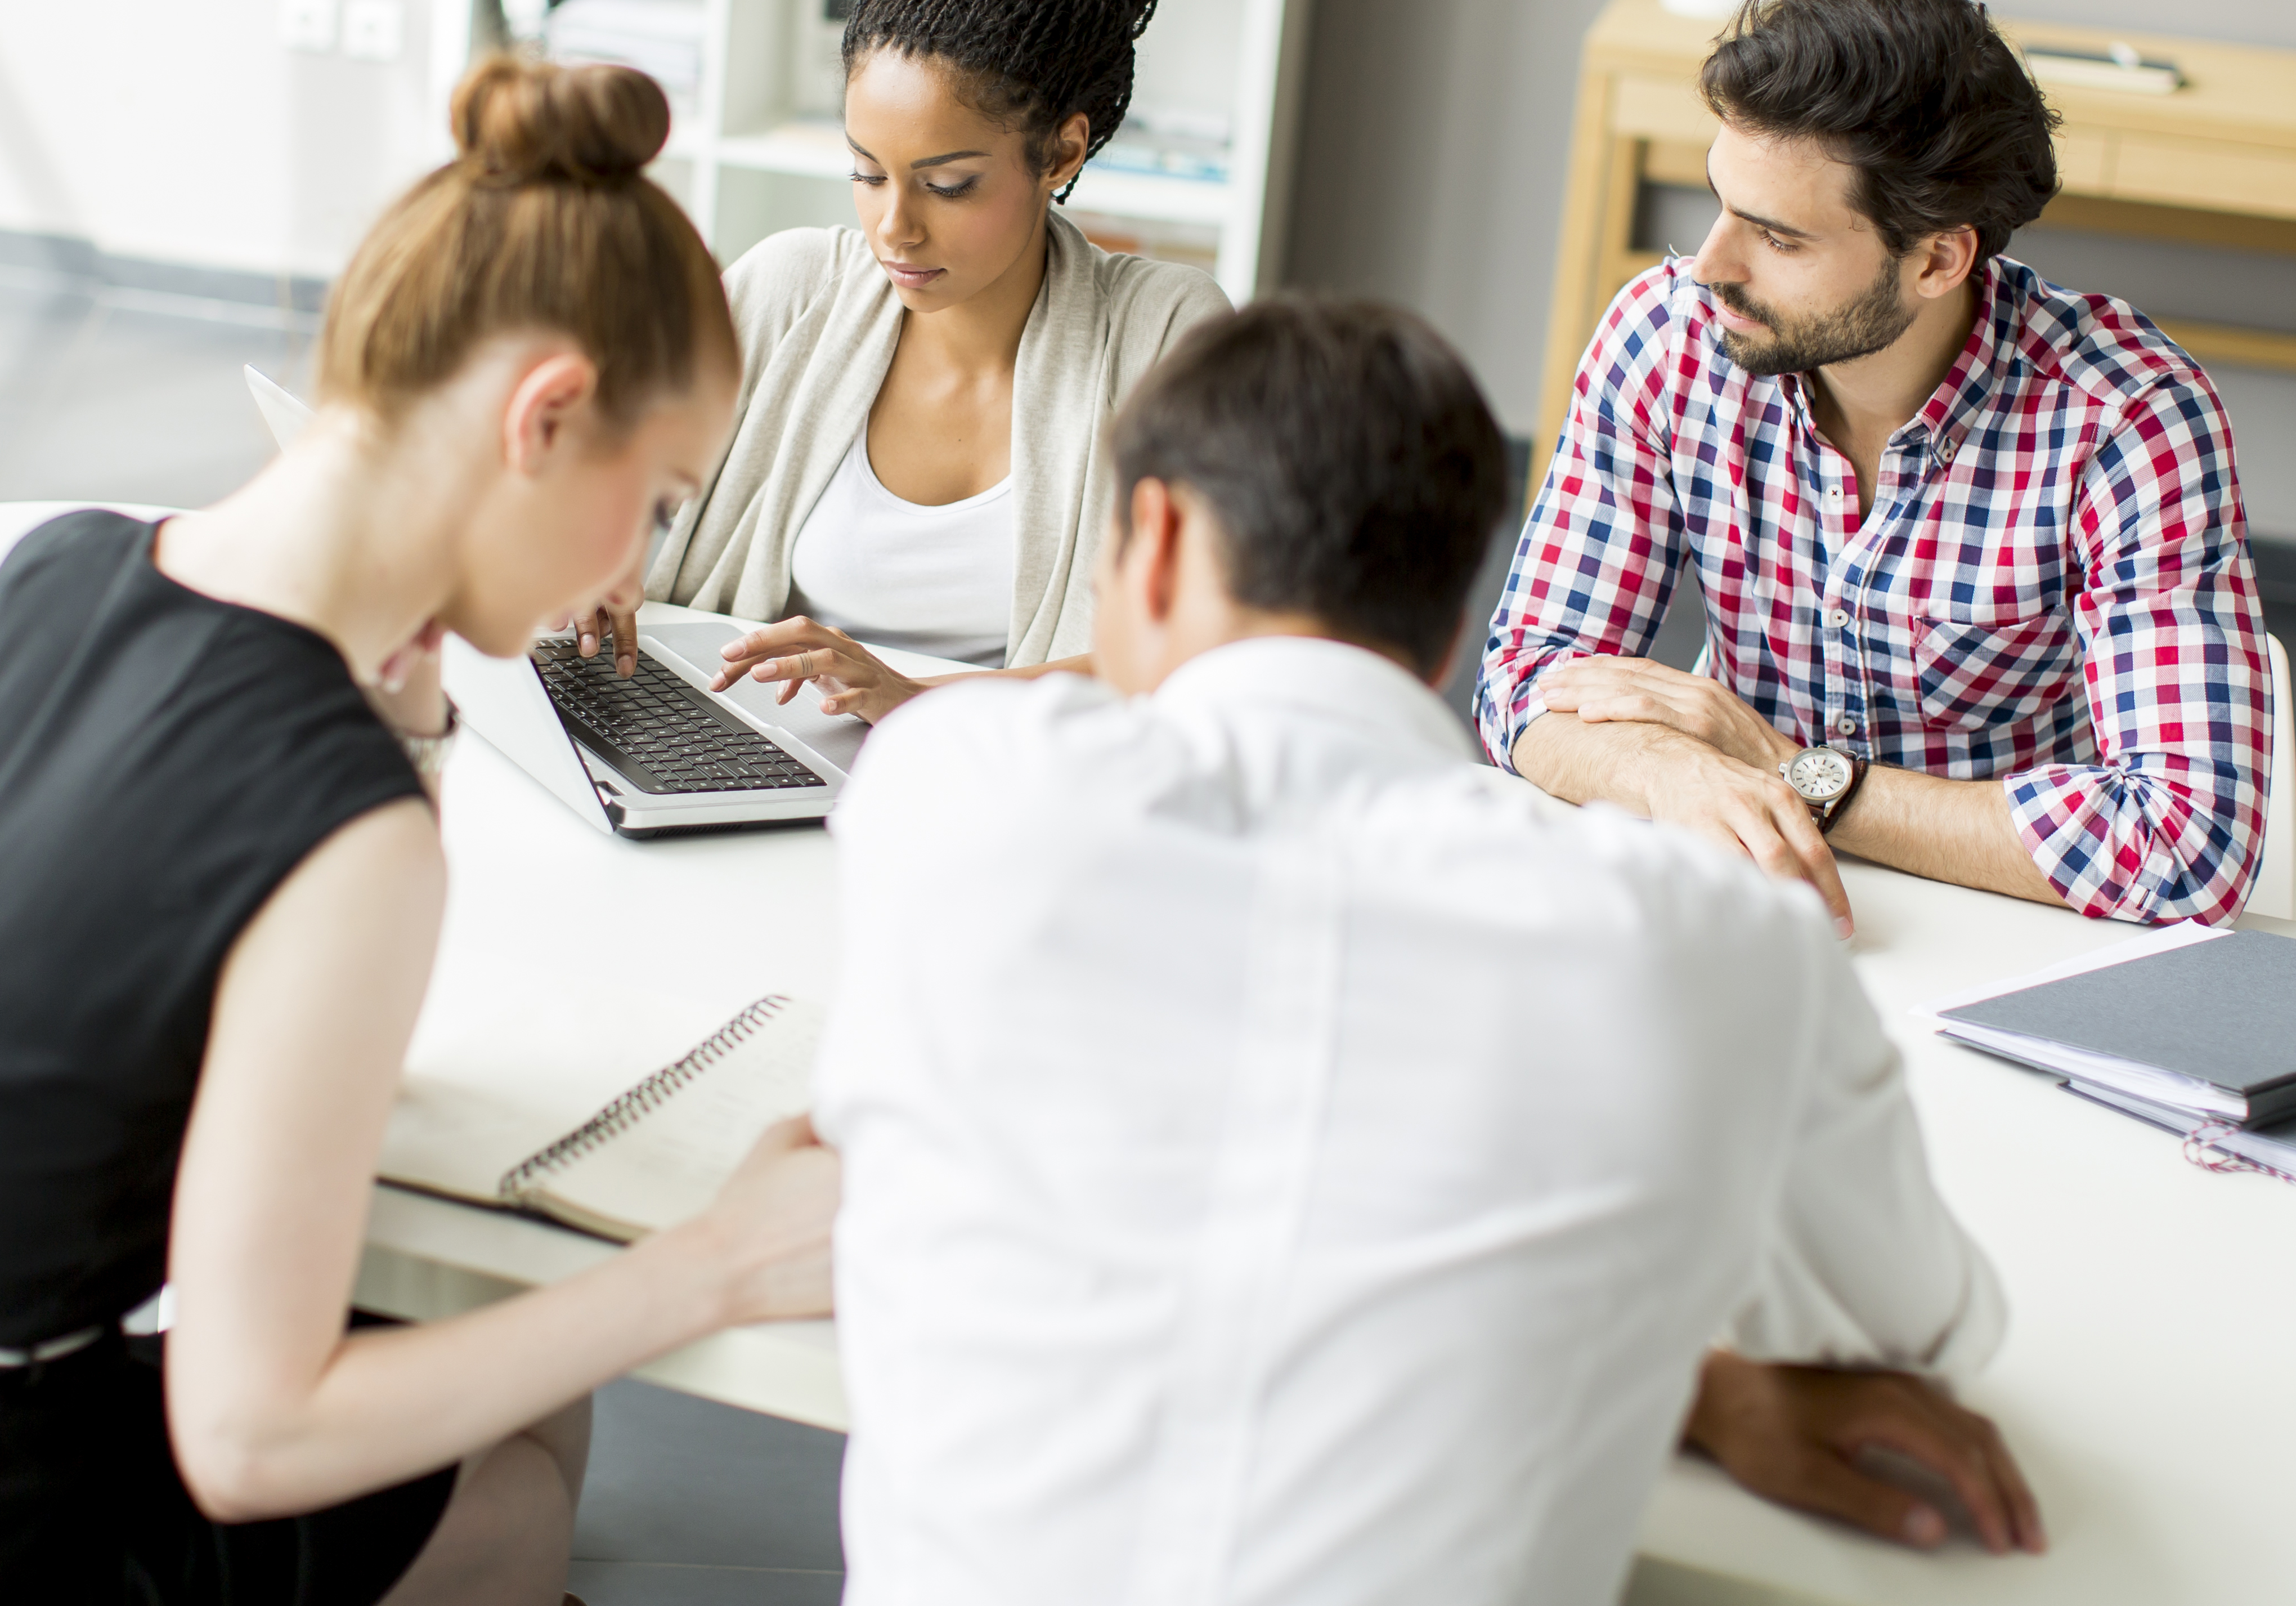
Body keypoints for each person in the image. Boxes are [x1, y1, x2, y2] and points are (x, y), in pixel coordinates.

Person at [0, 57, 837, 1606]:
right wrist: (711, 1268)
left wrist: (405, 715)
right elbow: (251, 1438)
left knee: (494, 1393)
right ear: (545, 418)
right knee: (523, 1486)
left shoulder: (59, 566)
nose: (641, 556)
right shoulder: (345, 830)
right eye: (663, 500)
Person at [818, 297, 2040, 1606]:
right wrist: (1694, 1369)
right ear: (1450, 637)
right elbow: (1915, 1331)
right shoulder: (1711, 940)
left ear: (1156, 539)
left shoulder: (943, 795)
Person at [1479, 0, 2270, 933]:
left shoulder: (2127, 420)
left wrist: (1791, 771)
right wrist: (1672, 768)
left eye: (1778, 237)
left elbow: (2188, 848)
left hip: (2014, 921)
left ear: (1938, 260)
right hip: (1753, 896)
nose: (1710, 266)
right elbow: (1526, 682)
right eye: (1722, 204)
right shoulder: (1666, 340)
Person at [612, 0, 1230, 720]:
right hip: (760, 770)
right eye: (867, 173)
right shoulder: (788, 295)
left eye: (948, 186)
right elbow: (597, 498)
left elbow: (1212, 657)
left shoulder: (1167, 339)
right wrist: (592, 576)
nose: (892, 229)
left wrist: (919, 703)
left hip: (1023, 800)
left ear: (1061, 153)